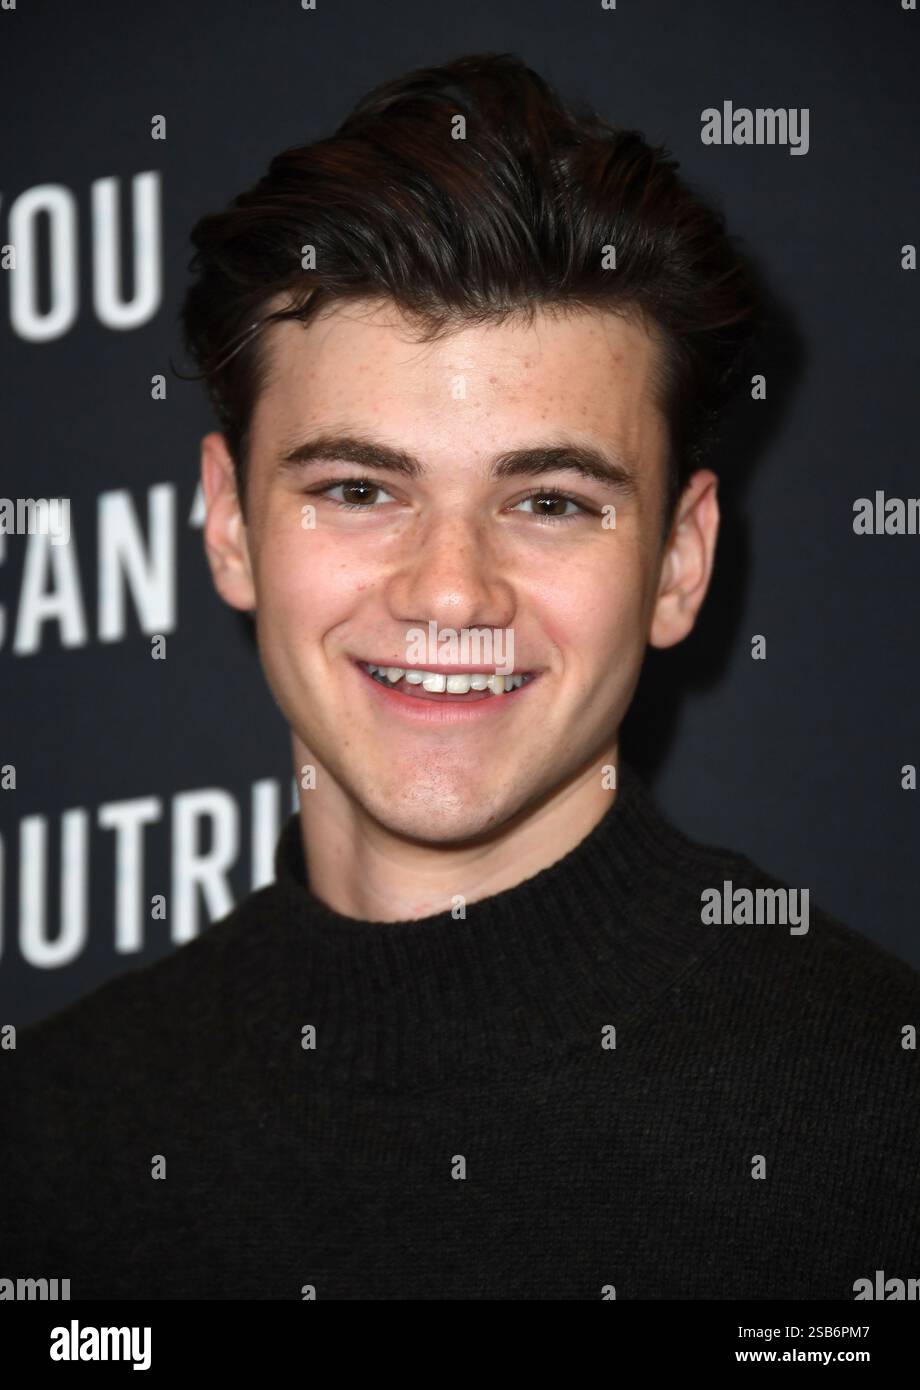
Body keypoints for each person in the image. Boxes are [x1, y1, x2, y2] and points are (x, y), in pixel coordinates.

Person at [2, 52, 918, 1301]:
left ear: (678, 562)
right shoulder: (49, 1147)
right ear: (227, 525)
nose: (448, 592)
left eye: (549, 501)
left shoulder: (878, 1128)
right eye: (357, 489)